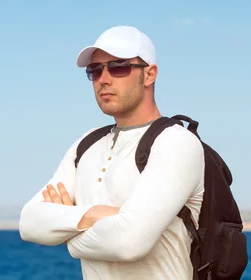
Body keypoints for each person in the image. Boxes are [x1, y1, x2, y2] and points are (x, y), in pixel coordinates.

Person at [18, 25, 205, 280]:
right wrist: (94, 215)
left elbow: (128, 243)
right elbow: (29, 223)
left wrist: (67, 238)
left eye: (118, 66)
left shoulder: (176, 142)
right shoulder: (87, 144)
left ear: (149, 74)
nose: (104, 78)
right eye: (95, 71)